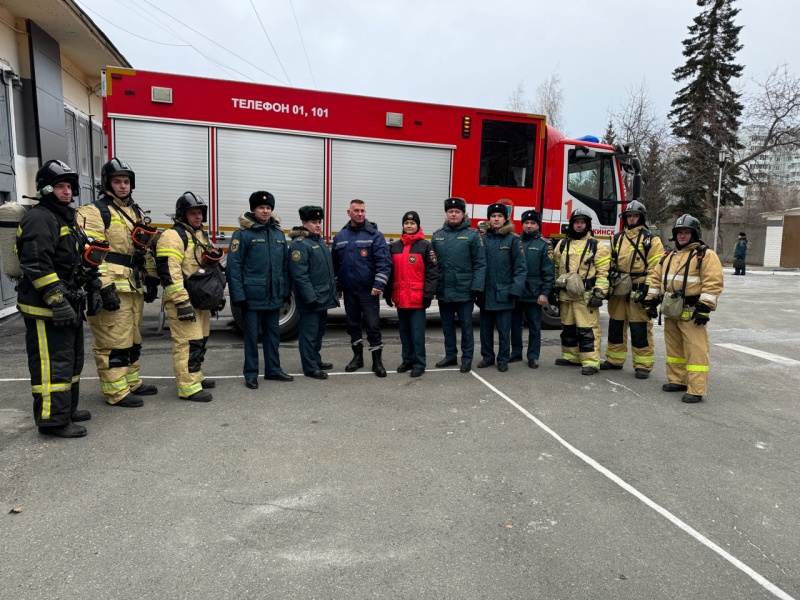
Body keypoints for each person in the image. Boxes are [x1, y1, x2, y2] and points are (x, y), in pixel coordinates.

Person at [17, 161, 92, 438]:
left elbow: (71, 259)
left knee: (70, 362)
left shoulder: (64, 218)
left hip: (67, 302)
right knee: (51, 365)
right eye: (61, 186)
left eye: (69, 187)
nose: (67, 191)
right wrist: (56, 298)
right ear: (46, 189)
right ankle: (52, 421)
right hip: (44, 306)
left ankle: (66, 410)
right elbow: (36, 262)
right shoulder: (40, 218)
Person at [77, 158, 160, 408]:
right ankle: (116, 392)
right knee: (113, 340)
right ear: (107, 184)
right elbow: (91, 252)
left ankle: (131, 382)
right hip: (112, 284)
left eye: (126, 182)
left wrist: (152, 277)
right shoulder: (92, 212)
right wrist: (103, 286)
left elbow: (143, 249)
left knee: (133, 338)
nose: (123, 186)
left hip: (133, 284)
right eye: (117, 181)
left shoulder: (137, 212)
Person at [643, 214, 724, 403]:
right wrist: (651, 300)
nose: (682, 236)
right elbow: (656, 279)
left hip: (692, 311)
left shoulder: (705, 255)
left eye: (686, 232)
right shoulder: (668, 256)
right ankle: (678, 380)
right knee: (674, 348)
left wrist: (705, 307)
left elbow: (713, 282)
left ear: (694, 234)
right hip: (671, 310)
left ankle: (696, 389)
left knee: (696, 350)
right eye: (679, 232)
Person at [155, 193, 224, 402]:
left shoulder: (199, 235)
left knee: (200, 340)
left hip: (199, 299)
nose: (198, 217)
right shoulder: (172, 236)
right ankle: (187, 386)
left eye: (201, 213)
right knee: (187, 342)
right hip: (183, 301)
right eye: (193, 213)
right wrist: (181, 302)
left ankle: (195, 376)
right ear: (182, 214)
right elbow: (169, 271)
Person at [226, 191, 292, 389]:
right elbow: (234, 267)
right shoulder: (243, 234)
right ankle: (251, 373)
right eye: (262, 207)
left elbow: (285, 266)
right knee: (252, 338)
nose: (266, 211)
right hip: (252, 298)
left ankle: (273, 370)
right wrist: (238, 295)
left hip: (274, 296)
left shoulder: (279, 234)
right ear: (253, 209)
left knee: (273, 336)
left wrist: (285, 290)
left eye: (269, 208)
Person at [600, 200, 664, 379]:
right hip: (619, 290)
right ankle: (614, 360)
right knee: (615, 327)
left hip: (639, 290)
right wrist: (606, 285)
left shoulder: (652, 240)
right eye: (629, 216)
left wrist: (648, 291)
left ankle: (643, 365)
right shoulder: (617, 238)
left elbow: (656, 268)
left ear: (641, 218)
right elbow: (608, 263)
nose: (632, 219)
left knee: (640, 329)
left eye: (635, 216)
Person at [331, 199, 392, 377]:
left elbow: (384, 262)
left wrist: (379, 284)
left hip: (369, 291)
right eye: (356, 211)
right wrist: (339, 285)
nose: (360, 214)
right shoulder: (340, 237)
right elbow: (335, 264)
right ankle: (357, 359)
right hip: (350, 291)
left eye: (363, 211)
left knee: (373, 326)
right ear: (348, 212)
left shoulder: (375, 235)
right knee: (352, 325)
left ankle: (377, 362)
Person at [431, 197, 486, 373]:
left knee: (466, 327)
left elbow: (480, 263)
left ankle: (467, 358)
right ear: (446, 213)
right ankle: (450, 356)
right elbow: (432, 264)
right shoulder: (437, 235)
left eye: (457, 211)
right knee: (447, 326)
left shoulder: (472, 235)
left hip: (465, 290)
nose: (453, 214)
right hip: (444, 290)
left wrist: (477, 286)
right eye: (450, 211)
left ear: (463, 214)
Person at [552, 208, 611, 375]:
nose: (579, 225)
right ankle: (571, 357)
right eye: (576, 222)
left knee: (587, 330)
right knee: (568, 327)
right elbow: (556, 268)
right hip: (566, 294)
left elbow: (603, 272)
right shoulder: (562, 244)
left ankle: (591, 362)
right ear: (572, 224)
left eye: (582, 222)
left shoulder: (597, 246)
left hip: (586, 295)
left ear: (588, 225)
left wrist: (599, 292)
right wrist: (554, 288)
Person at [384, 211, 439, 377]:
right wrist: (388, 293)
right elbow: (390, 272)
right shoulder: (395, 246)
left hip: (417, 298)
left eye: (412, 223)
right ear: (403, 226)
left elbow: (432, 272)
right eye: (406, 223)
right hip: (401, 297)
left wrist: (428, 295)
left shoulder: (425, 246)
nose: (409, 226)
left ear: (418, 225)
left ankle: (419, 363)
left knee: (417, 334)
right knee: (404, 332)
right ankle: (406, 360)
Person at [288, 205, 339, 380]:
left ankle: (315, 359)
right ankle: (309, 367)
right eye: (313, 222)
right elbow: (299, 275)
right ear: (303, 223)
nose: (318, 225)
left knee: (319, 332)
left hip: (322, 297)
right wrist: (310, 298)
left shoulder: (318, 241)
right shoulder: (300, 245)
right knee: (308, 334)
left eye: (319, 222)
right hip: (312, 299)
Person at [477, 203, 526, 372]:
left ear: (506, 219)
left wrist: (515, 290)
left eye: (499, 216)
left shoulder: (513, 240)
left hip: (504, 294)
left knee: (505, 331)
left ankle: (503, 359)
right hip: (484, 293)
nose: (496, 219)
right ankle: (488, 357)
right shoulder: (481, 238)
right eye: (493, 216)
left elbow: (520, 268)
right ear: (489, 219)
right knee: (485, 330)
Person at [510, 209, 555, 369]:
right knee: (515, 324)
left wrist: (545, 293)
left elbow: (549, 272)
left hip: (534, 293)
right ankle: (515, 352)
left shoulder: (545, 245)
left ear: (538, 225)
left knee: (535, 326)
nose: (529, 226)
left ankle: (533, 356)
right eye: (526, 223)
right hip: (516, 291)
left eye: (532, 223)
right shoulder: (514, 241)